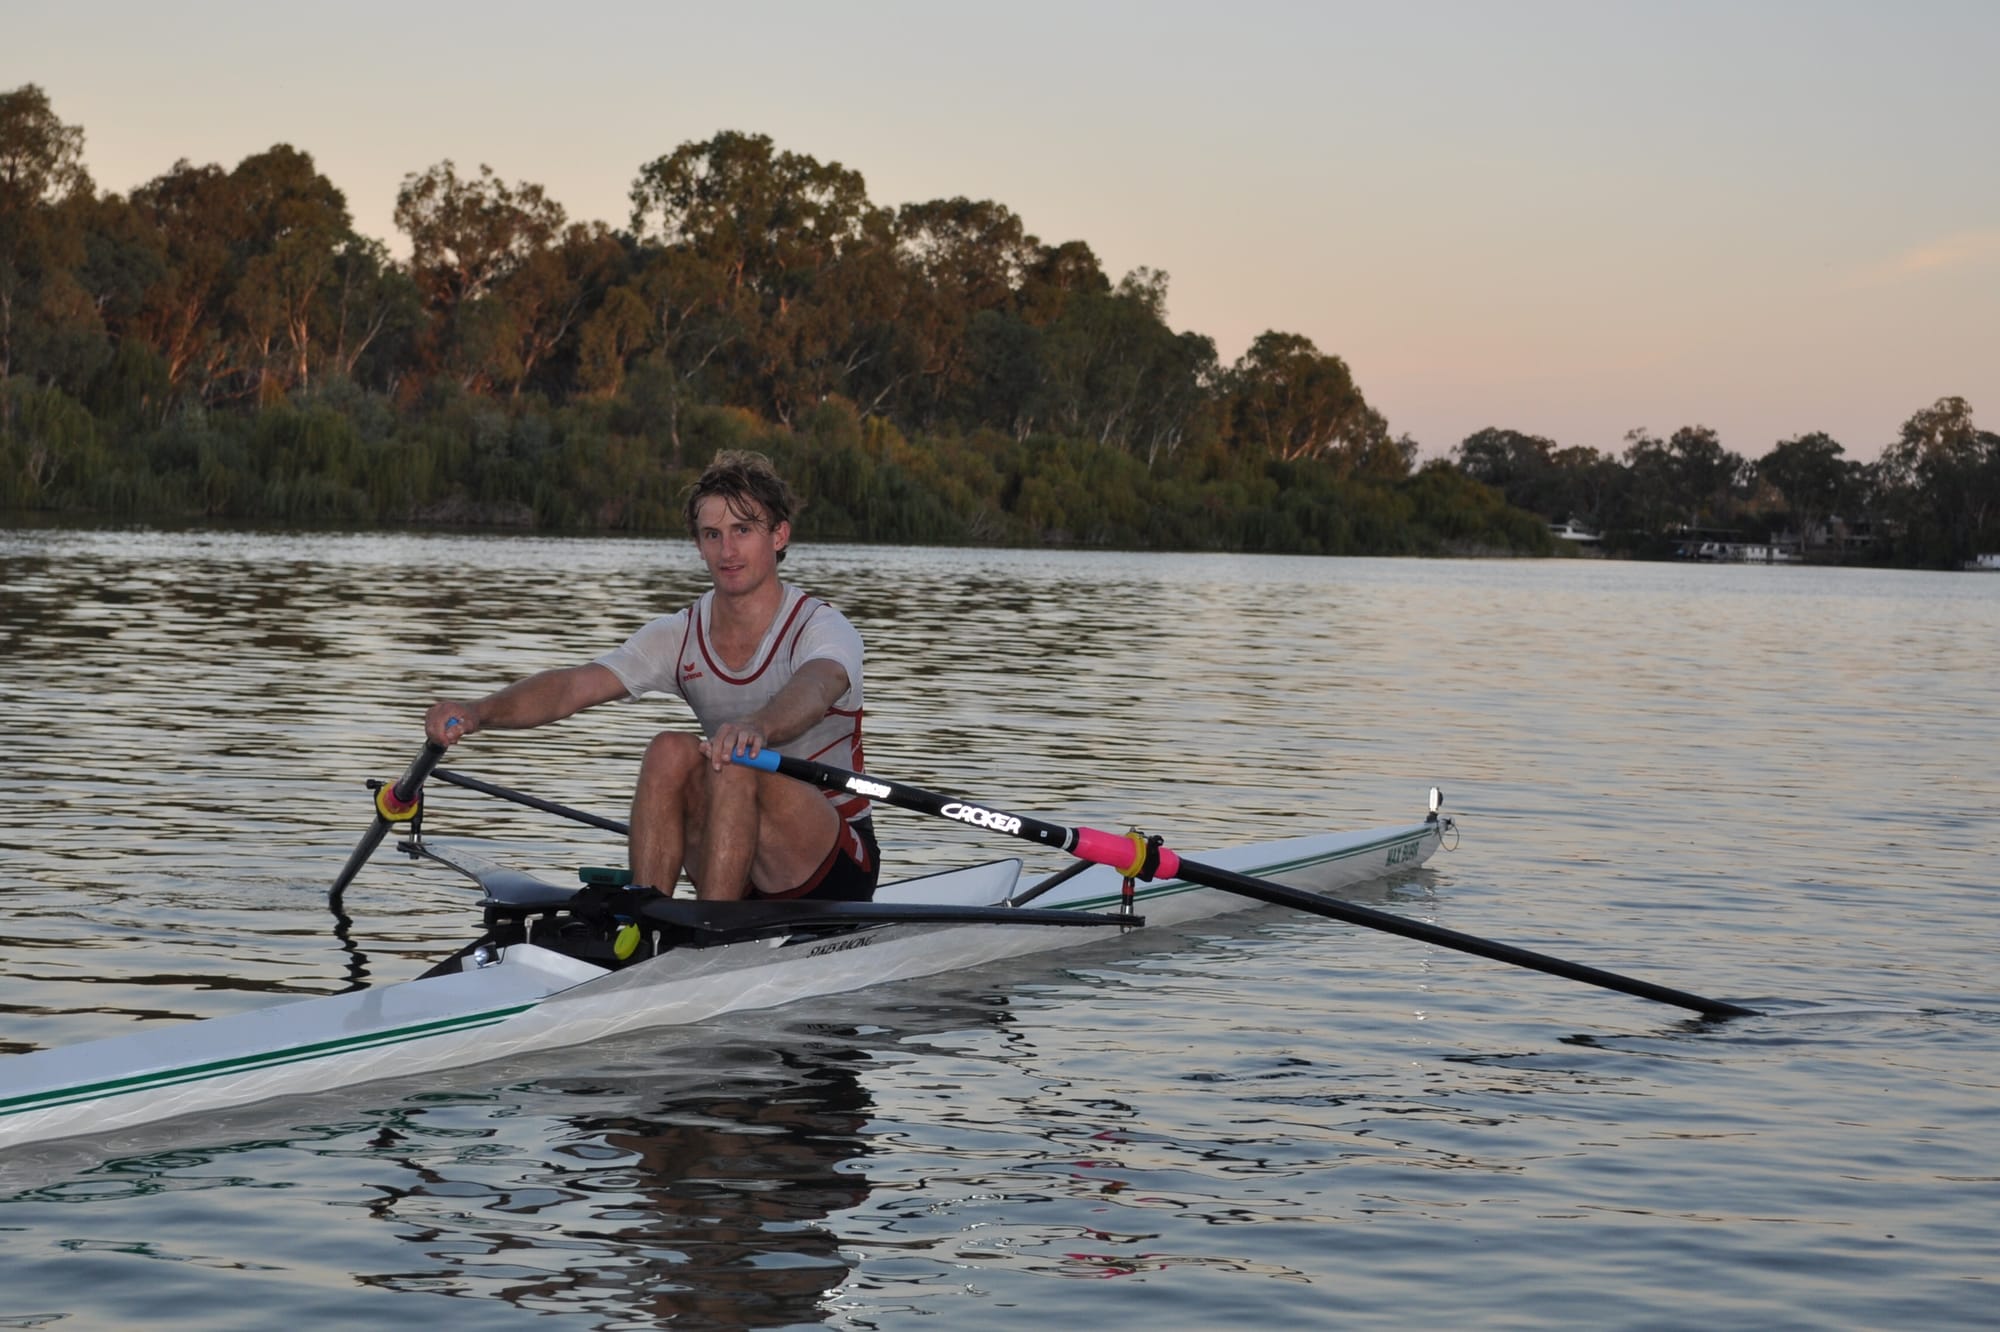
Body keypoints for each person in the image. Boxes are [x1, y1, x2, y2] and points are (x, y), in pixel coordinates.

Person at [422, 451, 876, 902]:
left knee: (738, 760)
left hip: (835, 859)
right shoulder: (680, 634)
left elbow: (816, 687)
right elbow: (572, 687)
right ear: (698, 546)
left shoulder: (822, 627)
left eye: (743, 530)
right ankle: (646, 917)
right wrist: (479, 712)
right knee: (668, 750)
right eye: (712, 535)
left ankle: (708, 933)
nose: (728, 550)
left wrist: (758, 727)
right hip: (736, 851)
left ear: (778, 536)